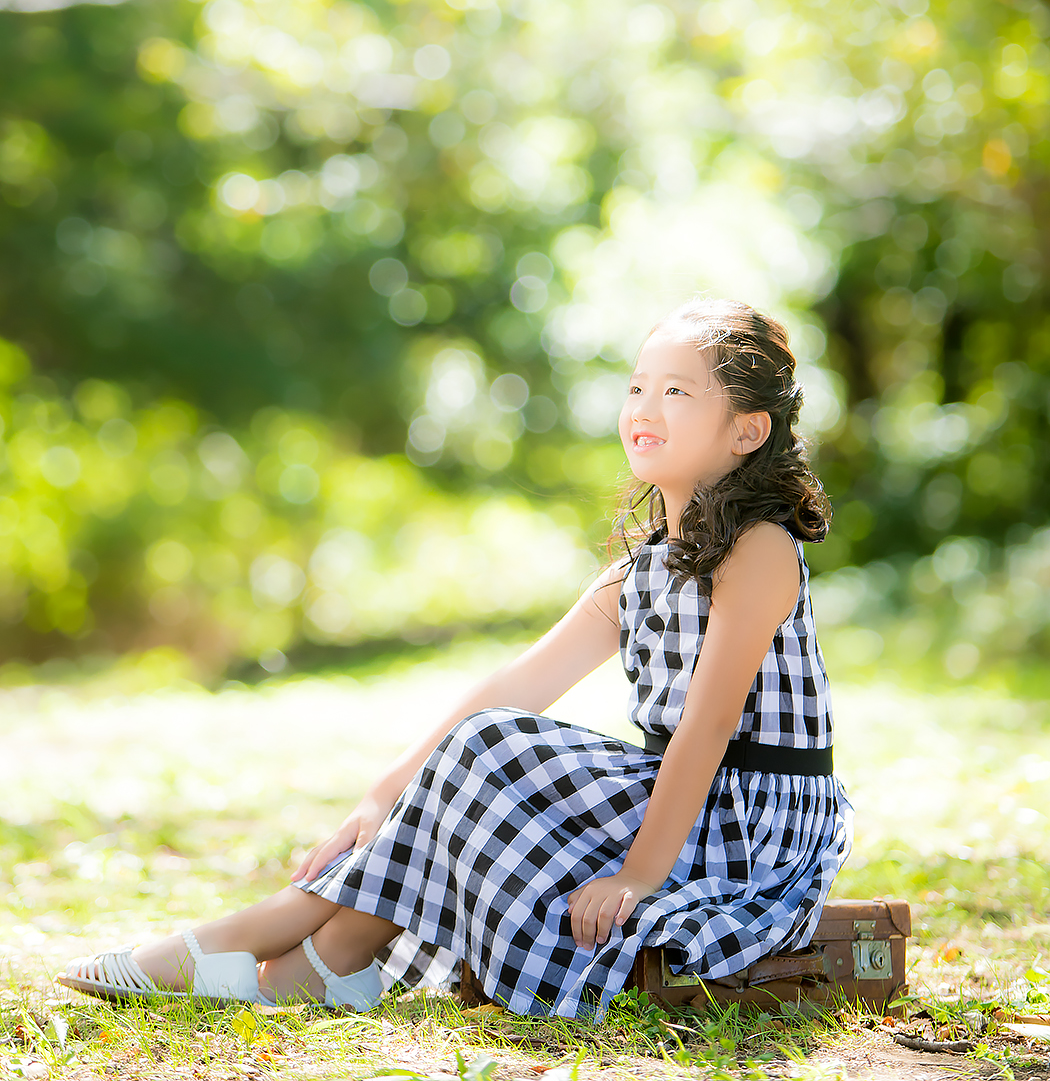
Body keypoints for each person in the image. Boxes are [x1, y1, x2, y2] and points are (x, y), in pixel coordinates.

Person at [60, 296, 853, 1020]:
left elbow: (710, 725)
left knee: (491, 746)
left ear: (748, 429)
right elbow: (516, 683)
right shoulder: (642, 567)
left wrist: (638, 877)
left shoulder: (759, 549)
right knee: (486, 734)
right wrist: (382, 793)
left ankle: (278, 934)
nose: (645, 409)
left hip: (748, 821)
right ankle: (325, 957)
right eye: (638, 387)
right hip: (675, 794)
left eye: (678, 392)